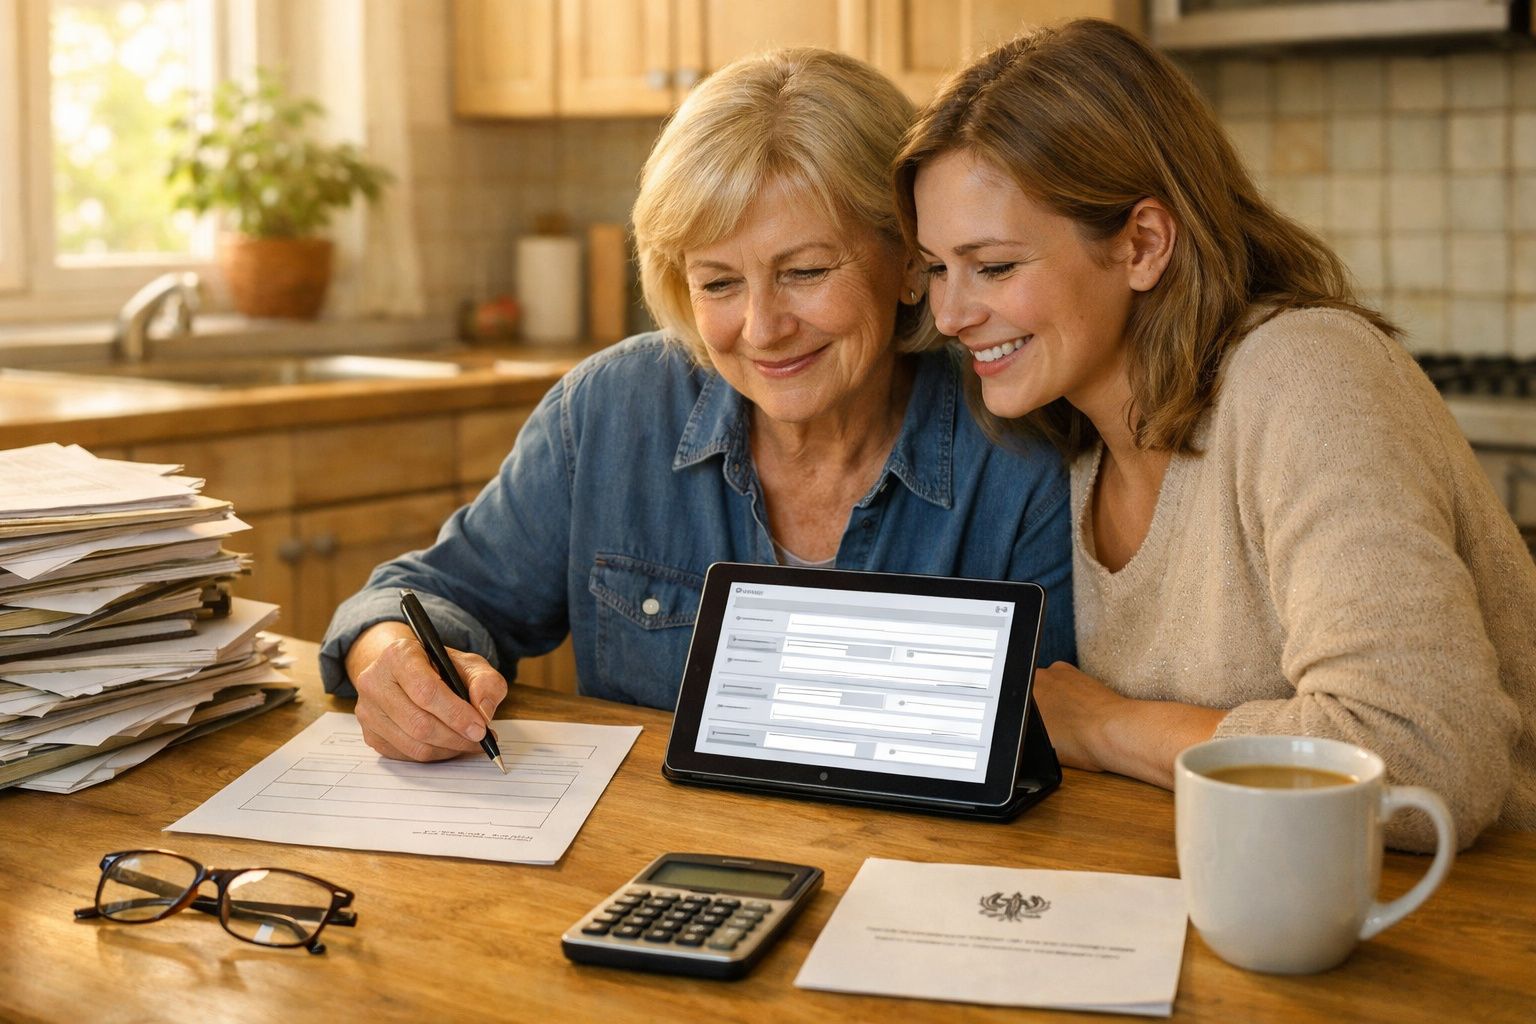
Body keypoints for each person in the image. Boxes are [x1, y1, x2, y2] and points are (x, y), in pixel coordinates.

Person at [319, 48, 1074, 766]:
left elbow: (1064, 746)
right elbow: (431, 595)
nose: (763, 329)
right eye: (718, 284)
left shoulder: (1016, 450)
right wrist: (393, 657)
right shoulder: (609, 412)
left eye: (805, 271)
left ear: (911, 258)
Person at [896, 19, 1536, 851]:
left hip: (1477, 920)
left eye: (996, 267)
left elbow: (1422, 759)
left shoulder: (1306, 374)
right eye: (937, 267)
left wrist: (1108, 727)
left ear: (1143, 244)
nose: (951, 314)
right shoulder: (1077, 444)